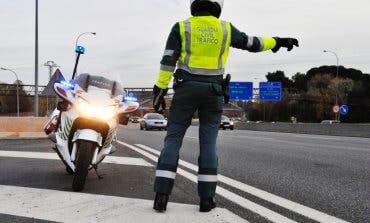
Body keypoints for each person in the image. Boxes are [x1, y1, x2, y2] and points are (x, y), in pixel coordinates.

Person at [152, 0, 299, 212]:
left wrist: (160, 89)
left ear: (194, 5)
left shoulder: (182, 26)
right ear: (217, 6)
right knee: (208, 143)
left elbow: (168, 61)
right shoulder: (225, 28)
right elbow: (253, 43)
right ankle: (206, 199)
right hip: (213, 92)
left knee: (173, 138)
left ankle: (161, 196)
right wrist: (277, 42)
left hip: (185, 89)